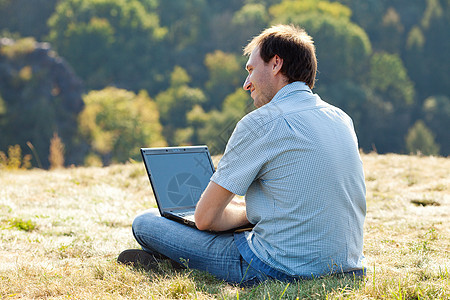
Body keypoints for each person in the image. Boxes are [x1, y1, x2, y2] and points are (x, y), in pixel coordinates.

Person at [118, 24, 366, 286]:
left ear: (276, 64)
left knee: (145, 222)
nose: (246, 83)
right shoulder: (341, 118)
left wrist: (237, 214)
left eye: (250, 70)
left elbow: (205, 219)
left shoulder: (261, 123)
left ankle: (176, 262)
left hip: (279, 269)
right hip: (348, 268)